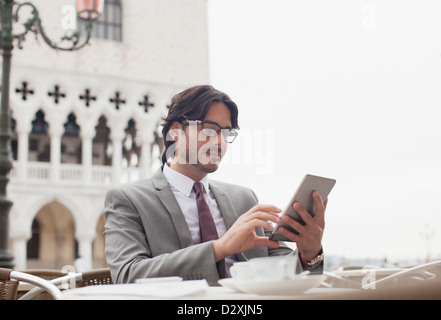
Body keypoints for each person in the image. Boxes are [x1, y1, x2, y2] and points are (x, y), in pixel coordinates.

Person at [104, 85, 326, 285]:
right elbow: (128, 275)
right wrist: (219, 248)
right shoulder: (129, 199)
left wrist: (309, 253)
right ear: (175, 131)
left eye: (226, 133)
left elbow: (285, 271)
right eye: (209, 129)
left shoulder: (244, 199)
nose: (219, 141)